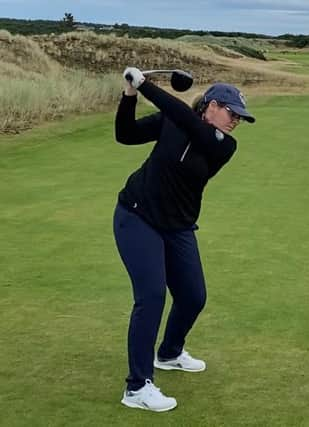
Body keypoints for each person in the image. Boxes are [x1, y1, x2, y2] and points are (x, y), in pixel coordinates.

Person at [113, 67, 255, 412]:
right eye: (231, 112)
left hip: (177, 226)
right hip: (137, 215)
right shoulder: (172, 121)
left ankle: (170, 353)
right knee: (151, 297)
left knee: (193, 296)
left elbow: (188, 121)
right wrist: (129, 95)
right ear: (210, 105)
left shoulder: (223, 145)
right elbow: (126, 134)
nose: (236, 120)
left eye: (240, 117)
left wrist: (146, 84)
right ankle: (137, 387)